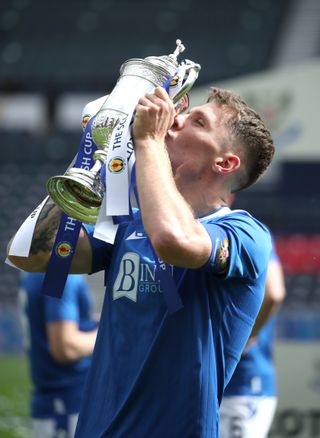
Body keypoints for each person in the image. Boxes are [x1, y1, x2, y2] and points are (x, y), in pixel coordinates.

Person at [7, 85, 275, 437]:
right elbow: (29, 253)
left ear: (225, 163)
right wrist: (95, 154)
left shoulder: (245, 233)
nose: (174, 121)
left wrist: (149, 143)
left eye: (197, 121)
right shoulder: (128, 223)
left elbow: (173, 240)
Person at [18, 272, 98, 438]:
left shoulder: (34, 270)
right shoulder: (60, 274)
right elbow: (66, 348)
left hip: (54, 399)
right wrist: (107, 331)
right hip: (67, 401)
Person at [220, 239, 286, 438]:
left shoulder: (246, 234)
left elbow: (274, 293)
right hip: (216, 384)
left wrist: (245, 338)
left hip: (242, 383)